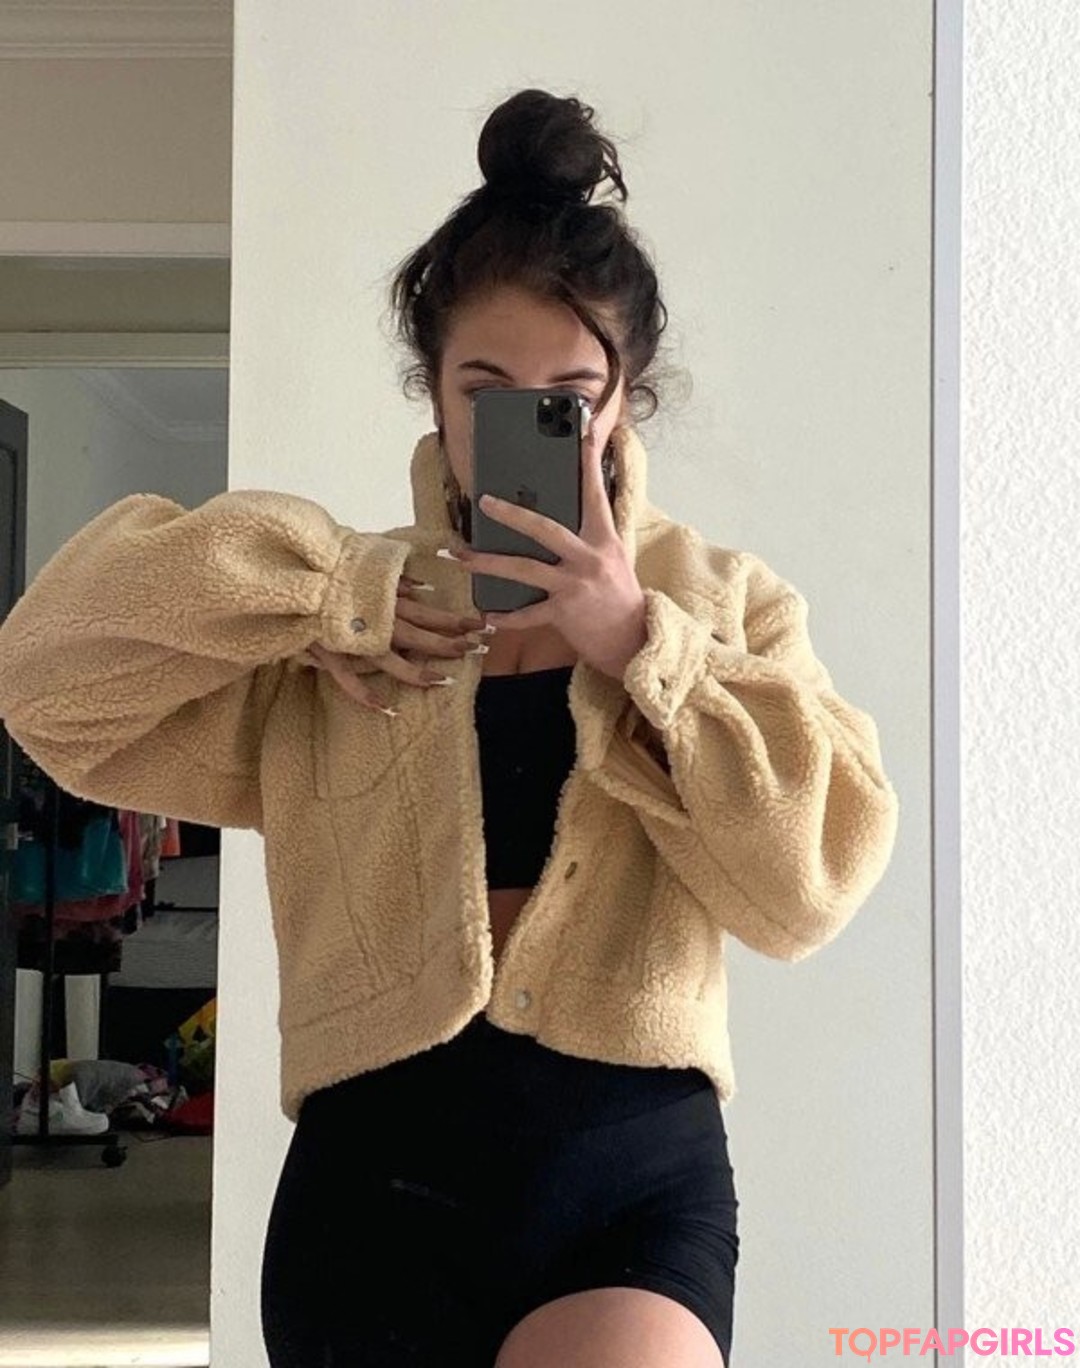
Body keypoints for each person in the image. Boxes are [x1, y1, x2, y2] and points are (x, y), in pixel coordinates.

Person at [0, 89, 900, 1367]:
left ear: (625, 399)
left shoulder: (722, 604)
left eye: (570, 394)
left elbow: (816, 882)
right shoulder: (336, 616)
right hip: (373, 1185)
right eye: (487, 388)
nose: (528, 423)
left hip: (630, 1180)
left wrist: (643, 645)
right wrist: (325, 595)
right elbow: (48, 683)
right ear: (431, 390)